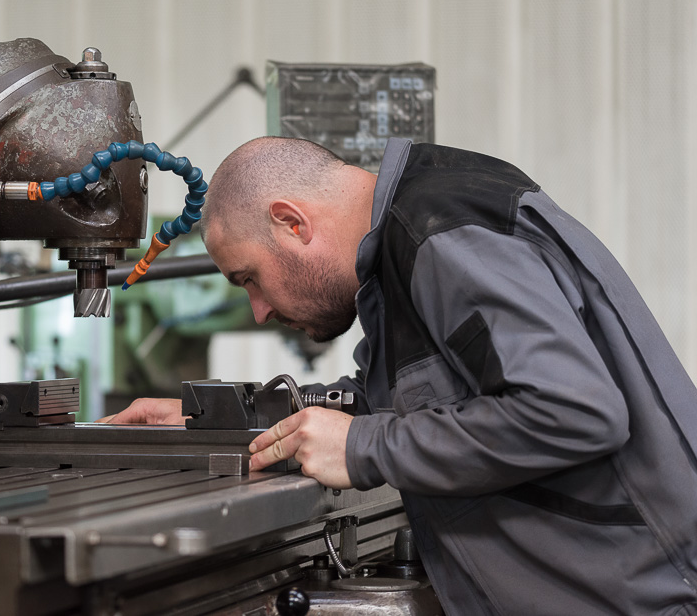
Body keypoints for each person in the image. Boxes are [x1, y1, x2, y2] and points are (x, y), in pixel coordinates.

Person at [103, 136, 697, 614]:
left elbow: (574, 410)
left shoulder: (439, 231)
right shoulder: (402, 250)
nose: (257, 309)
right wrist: (223, 419)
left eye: (248, 278)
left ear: (293, 223)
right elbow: (412, 402)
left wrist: (363, 448)